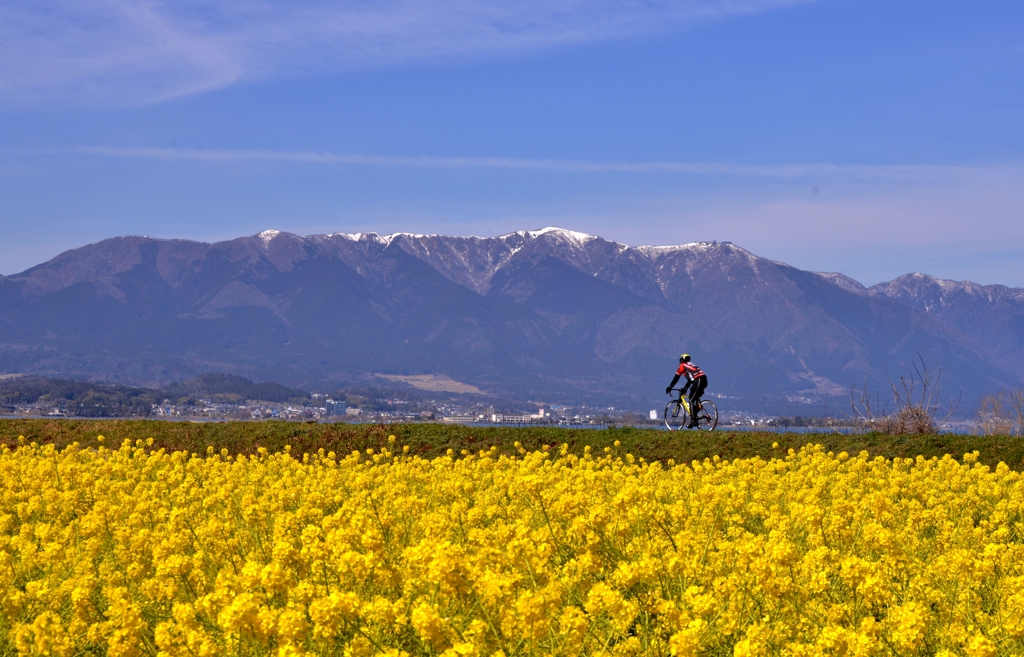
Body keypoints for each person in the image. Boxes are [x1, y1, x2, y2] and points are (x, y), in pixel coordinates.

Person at [666, 353, 708, 428]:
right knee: (694, 397)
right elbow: (691, 380)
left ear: (681, 360)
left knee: (691, 401)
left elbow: (676, 377)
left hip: (698, 381)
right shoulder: (691, 365)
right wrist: (685, 388)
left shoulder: (683, 365)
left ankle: (693, 421)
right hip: (704, 381)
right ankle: (697, 411)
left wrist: (670, 386)